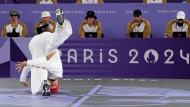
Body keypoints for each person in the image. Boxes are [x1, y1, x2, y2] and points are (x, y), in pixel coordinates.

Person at [16, 8, 72, 96]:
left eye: (51, 85)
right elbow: (44, 60)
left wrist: (23, 80)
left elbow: (28, 67)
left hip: (35, 42)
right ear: (58, 82)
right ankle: (60, 25)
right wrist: (28, 63)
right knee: (58, 39)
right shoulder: (57, 70)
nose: (53, 84)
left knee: (38, 69)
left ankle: (43, 84)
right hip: (45, 40)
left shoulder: (40, 68)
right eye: (54, 84)